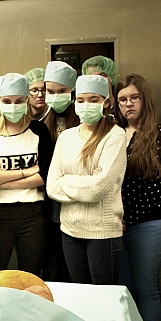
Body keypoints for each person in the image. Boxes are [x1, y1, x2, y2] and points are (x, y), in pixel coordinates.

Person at [46, 74, 127, 285]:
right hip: (70, 231)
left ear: (105, 103)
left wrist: (67, 180)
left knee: (104, 297)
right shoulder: (66, 137)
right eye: (81, 100)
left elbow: (99, 188)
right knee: (81, 295)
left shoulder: (115, 136)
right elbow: (52, 186)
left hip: (103, 233)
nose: (86, 105)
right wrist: (88, 179)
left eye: (93, 100)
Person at [114, 74, 161, 321]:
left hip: (150, 223)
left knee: (145, 287)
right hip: (116, 223)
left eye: (134, 98)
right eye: (122, 99)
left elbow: (158, 182)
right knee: (124, 288)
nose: (128, 104)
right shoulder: (113, 133)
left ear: (145, 99)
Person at [0, 73, 53, 277]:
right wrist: (25, 172)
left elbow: (45, 175)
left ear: (27, 100)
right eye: (7, 101)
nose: (13, 106)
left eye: (19, 101)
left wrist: (2, 182)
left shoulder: (38, 129)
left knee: (31, 276)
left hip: (33, 214)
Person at [41, 60, 80, 282]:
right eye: (51, 91)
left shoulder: (83, 123)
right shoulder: (42, 124)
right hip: (51, 208)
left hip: (78, 206)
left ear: (73, 91)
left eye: (62, 91)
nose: (56, 96)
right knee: (54, 270)